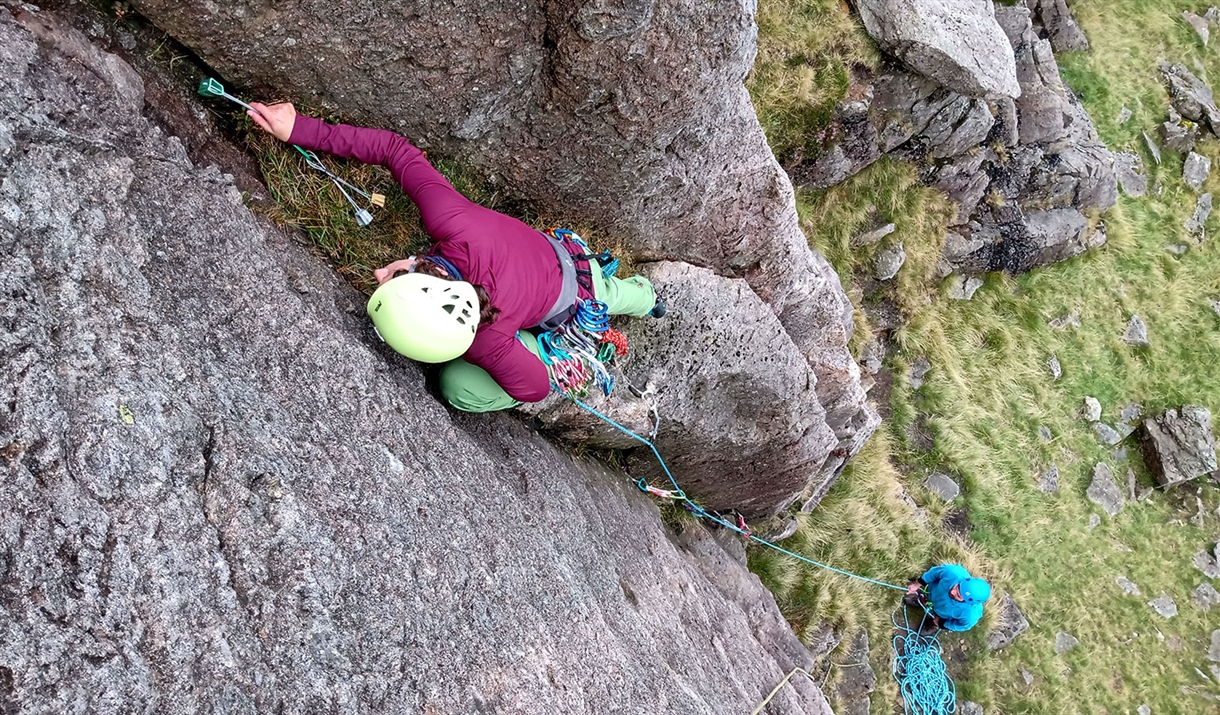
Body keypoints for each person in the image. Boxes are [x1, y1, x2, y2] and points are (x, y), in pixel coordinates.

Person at [247, 102, 663, 412]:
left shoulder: (488, 341)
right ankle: (648, 298)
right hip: (570, 259)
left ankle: (644, 300)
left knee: (459, 388)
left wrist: (505, 347)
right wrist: (301, 128)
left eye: (390, 277)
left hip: (575, 304)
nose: (377, 271)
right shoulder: (455, 224)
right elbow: (396, 150)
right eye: (390, 276)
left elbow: (536, 388)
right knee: (619, 293)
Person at [904, 564, 991, 633]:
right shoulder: (952, 572)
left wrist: (942, 623)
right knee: (926, 597)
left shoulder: (970, 614)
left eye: (958, 595)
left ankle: (933, 623)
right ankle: (921, 599)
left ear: (968, 602)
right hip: (932, 592)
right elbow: (934, 573)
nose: (953, 592)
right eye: (957, 586)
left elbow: (962, 626)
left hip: (941, 615)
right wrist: (917, 584)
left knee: (936, 621)